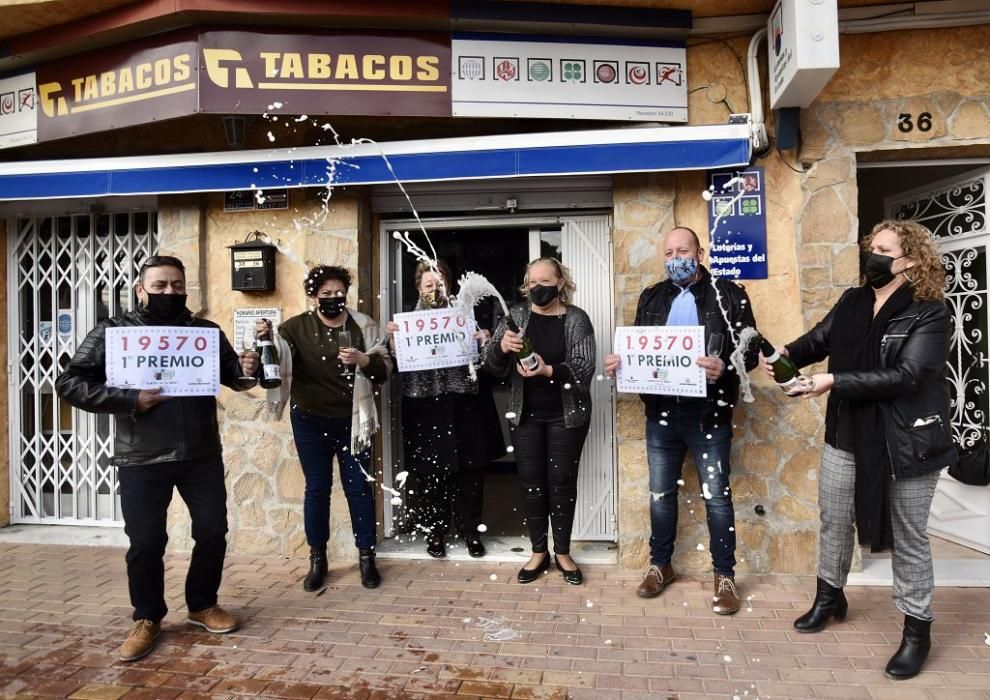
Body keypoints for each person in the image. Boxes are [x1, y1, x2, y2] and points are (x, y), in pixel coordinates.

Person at [762, 220, 955, 681]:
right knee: (833, 517)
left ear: (910, 260)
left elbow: (909, 376)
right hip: (846, 431)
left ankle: (916, 630)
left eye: (885, 249)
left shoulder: (930, 311)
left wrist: (834, 380)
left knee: (909, 537)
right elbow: (820, 339)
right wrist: (784, 354)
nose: (874, 256)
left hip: (905, 442)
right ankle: (830, 597)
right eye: (872, 247)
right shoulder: (854, 300)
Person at [55, 255, 255, 662]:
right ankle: (147, 617)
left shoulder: (205, 332)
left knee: (213, 532)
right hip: (141, 457)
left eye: (177, 285)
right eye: (160, 285)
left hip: (201, 454)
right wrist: (129, 399)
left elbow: (235, 376)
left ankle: (202, 604)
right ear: (141, 289)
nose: (170, 292)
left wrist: (247, 367)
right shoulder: (114, 331)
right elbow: (70, 382)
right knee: (146, 542)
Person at [605, 226, 758, 615]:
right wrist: (622, 365)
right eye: (669, 253)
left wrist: (725, 366)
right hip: (661, 413)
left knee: (717, 497)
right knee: (660, 494)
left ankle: (724, 576)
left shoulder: (729, 294)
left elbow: (751, 349)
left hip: (709, 413)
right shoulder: (652, 296)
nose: (676, 259)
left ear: (700, 253)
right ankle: (661, 566)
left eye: (683, 251)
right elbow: (641, 351)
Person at [262, 265, 391, 592]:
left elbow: (384, 369)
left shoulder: (363, 324)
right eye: (326, 294)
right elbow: (273, 364)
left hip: (354, 421)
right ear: (313, 296)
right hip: (309, 419)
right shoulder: (294, 328)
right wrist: (264, 340)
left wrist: (363, 359)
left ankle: (366, 557)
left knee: (358, 488)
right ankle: (317, 559)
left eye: (339, 293)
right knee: (317, 489)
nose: (334, 299)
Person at [482, 257, 596, 585]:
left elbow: (584, 368)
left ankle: (562, 552)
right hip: (526, 415)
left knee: (561, 482)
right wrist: (501, 347)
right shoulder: (516, 316)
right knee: (531, 484)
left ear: (561, 283)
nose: (537, 289)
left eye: (545, 282)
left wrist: (549, 371)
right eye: (532, 283)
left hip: (566, 414)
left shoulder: (576, 319)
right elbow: (490, 366)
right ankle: (538, 552)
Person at [386, 260, 505, 558]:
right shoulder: (404, 325)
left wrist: (486, 341)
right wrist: (393, 341)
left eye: (440, 284)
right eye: (429, 285)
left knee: (470, 475)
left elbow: (487, 365)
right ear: (418, 288)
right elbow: (397, 366)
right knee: (430, 476)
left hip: (465, 404)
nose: (435, 290)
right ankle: (435, 533)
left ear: (449, 286)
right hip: (425, 406)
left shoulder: (466, 318)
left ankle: (470, 533)